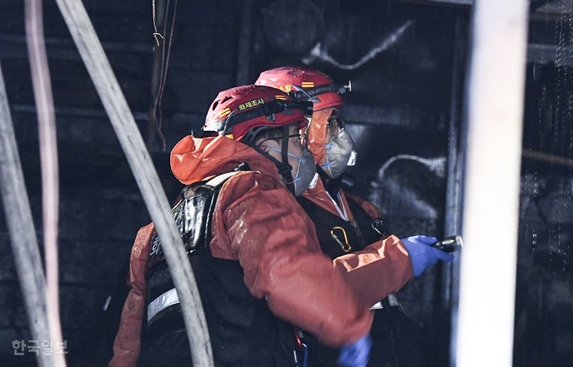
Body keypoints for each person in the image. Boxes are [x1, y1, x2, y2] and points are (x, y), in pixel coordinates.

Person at [109, 85, 380, 367]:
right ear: (265, 142)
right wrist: (350, 326)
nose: (305, 152)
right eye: (296, 140)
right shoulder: (250, 189)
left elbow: (129, 334)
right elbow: (284, 272)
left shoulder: (159, 224)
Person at [256, 66, 454, 366]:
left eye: (340, 121)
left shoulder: (359, 209)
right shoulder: (278, 213)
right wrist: (399, 259)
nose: (341, 134)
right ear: (298, 127)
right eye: (331, 122)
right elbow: (315, 288)